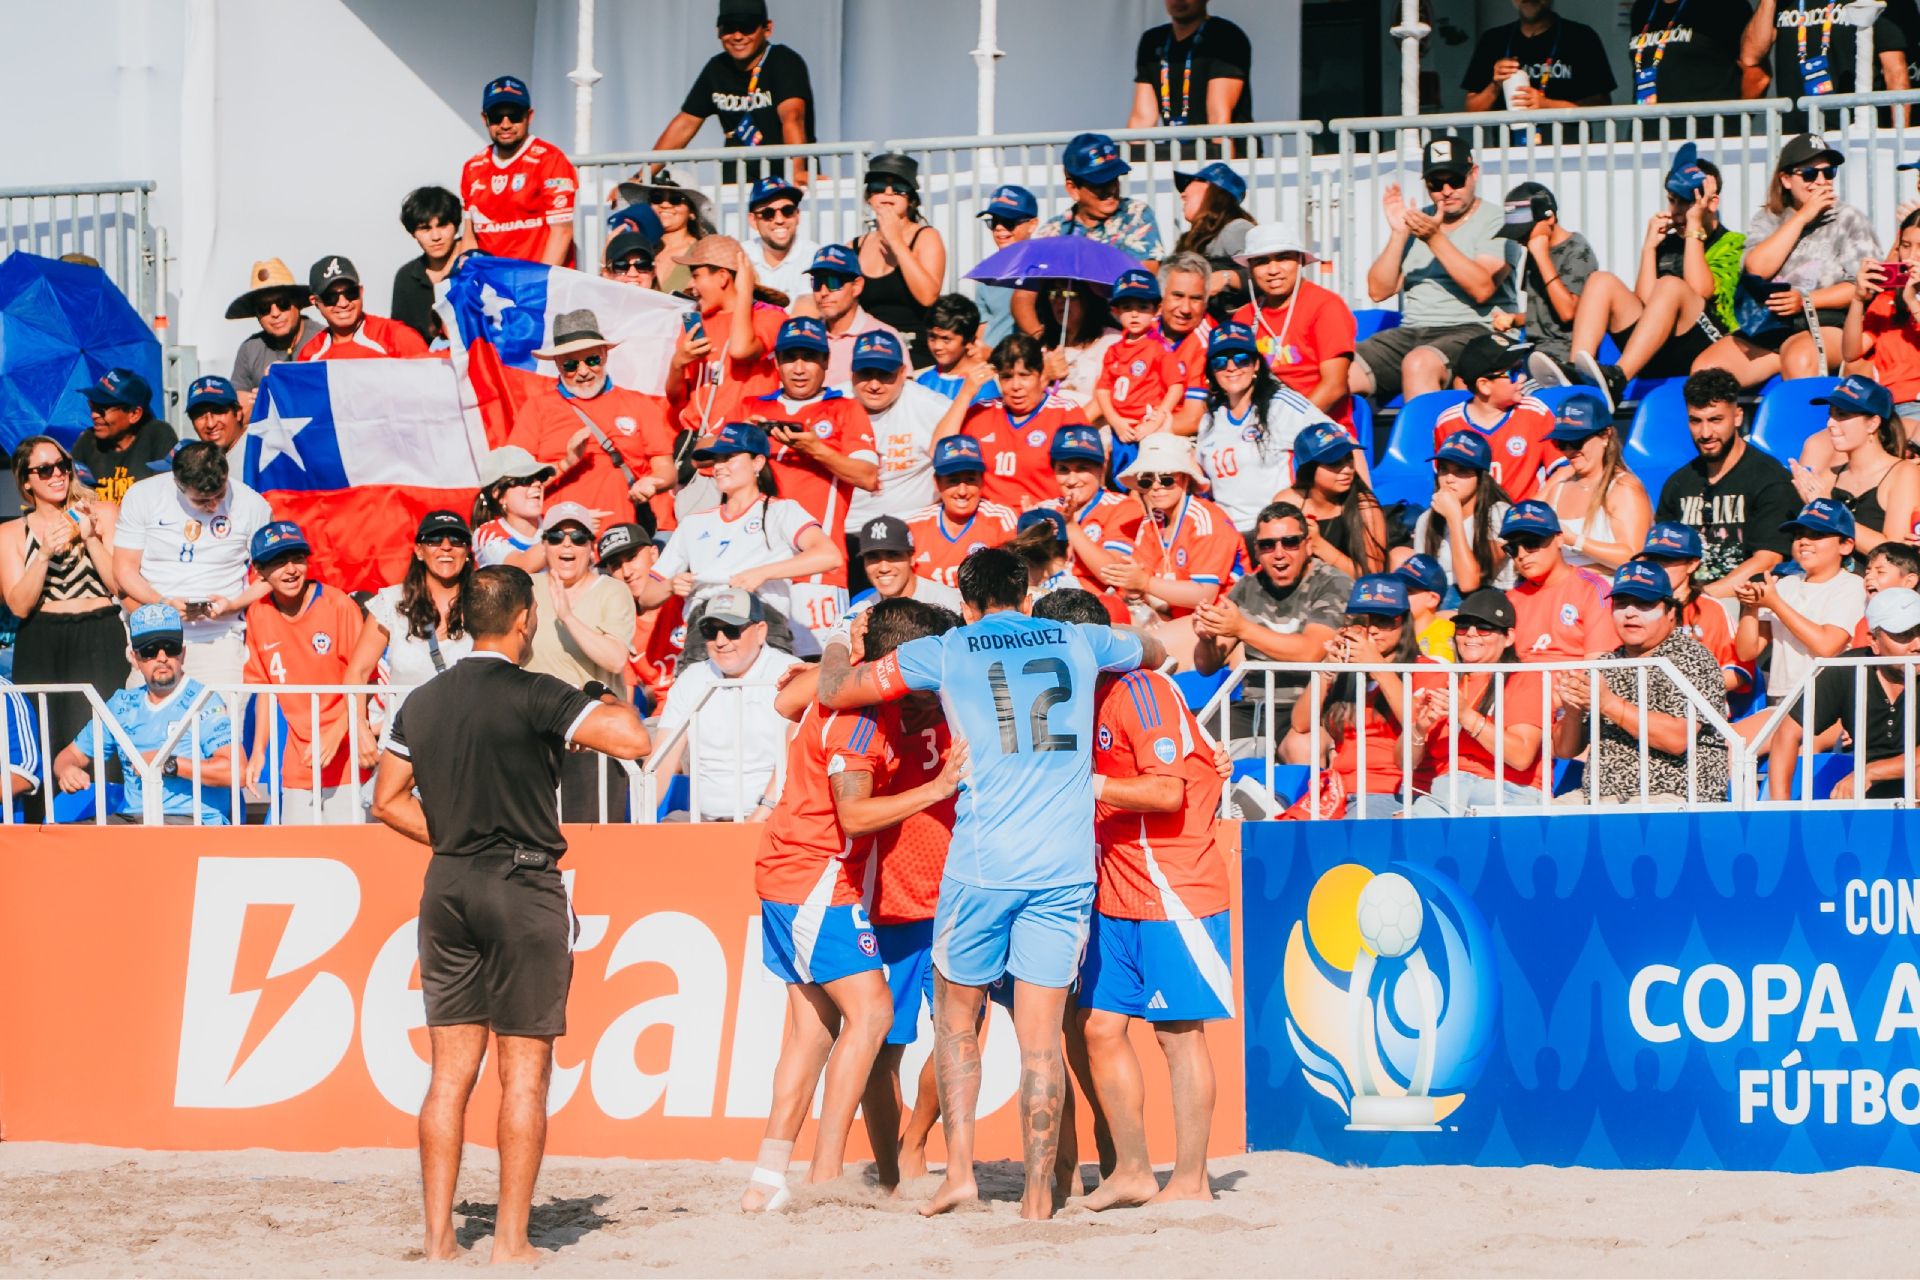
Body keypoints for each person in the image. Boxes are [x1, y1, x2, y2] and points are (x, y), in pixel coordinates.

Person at [815, 547, 1162, 1221]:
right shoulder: (1080, 639)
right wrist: (1125, 642)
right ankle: (1038, 1198)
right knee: (1041, 1038)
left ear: (969, 604)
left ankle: (961, 1175)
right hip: (1064, 863)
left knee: (955, 1020)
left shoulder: (949, 649)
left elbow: (837, 690)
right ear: (1027, 595)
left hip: (983, 861)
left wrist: (837, 642)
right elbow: (1150, 648)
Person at [370, 565, 649, 1264]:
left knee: (448, 1074)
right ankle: (511, 1241)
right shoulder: (536, 692)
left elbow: (386, 800)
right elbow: (634, 741)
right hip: (521, 883)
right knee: (523, 1073)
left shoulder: (424, 700)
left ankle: (438, 1241)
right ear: (525, 619)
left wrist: (459, 835)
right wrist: (604, 692)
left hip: (449, 882)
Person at [741, 598, 965, 1214]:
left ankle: (767, 1178)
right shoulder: (862, 720)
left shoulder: (852, 696)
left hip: (797, 869)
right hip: (817, 876)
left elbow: (790, 702)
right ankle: (826, 1174)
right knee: (868, 1017)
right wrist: (937, 788)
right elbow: (854, 814)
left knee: (811, 1034)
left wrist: (845, 643)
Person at [1030, 587, 1229, 1208]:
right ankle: (1134, 1171)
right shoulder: (1075, 700)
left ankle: (1192, 1181)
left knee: (1177, 1034)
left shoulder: (1143, 690)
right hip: (1114, 885)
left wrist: (1085, 783)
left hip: (1173, 884)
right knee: (1097, 1028)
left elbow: (1166, 792)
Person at [1556, 145, 1744, 411]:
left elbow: (1702, 291)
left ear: (1711, 202)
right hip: (1657, 349)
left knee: (1670, 286)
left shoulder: (1734, 244)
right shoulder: (1667, 245)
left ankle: (1618, 379)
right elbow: (1644, 303)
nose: (1678, 210)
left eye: (1686, 201)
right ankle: (1577, 376)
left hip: (1706, 346)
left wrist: (1694, 229)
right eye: (1672, 200)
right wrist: (1649, 248)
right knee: (1601, 281)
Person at [640, 423, 842, 659]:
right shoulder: (693, 523)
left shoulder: (781, 510)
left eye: (730, 457)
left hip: (759, 616)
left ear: (757, 462)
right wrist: (670, 585)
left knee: (767, 695)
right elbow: (646, 596)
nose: (719, 467)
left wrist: (763, 573)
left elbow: (829, 556)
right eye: (716, 460)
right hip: (705, 622)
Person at [1695, 134, 1880, 386]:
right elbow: (1757, 269)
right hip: (1772, 327)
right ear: (1786, 180)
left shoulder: (1849, 219)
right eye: (1809, 174)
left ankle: (1809, 425)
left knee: (1799, 355)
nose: (1821, 181)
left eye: (1829, 173)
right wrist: (1803, 217)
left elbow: (1863, 287)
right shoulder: (1769, 218)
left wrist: (1806, 301)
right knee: (1706, 371)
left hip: (1830, 324)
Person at [1354, 133, 1518, 406]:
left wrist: (1434, 238)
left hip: (1477, 329)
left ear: (1473, 173)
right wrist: (1398, 234)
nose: (1446, 191)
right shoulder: (1419, 221)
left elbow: (1482, 288)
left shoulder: (1499, 220)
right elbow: (1378, 290)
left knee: (1419, 362)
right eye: (1435, 184)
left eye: (1455, 180)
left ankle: (1424, 449)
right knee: (1338, 369)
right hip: (1412, 332)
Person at [1552, 559, 1731, 803]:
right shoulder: (1606, 662)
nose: (1630, 612)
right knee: (1548, 821)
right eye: (1622, 603)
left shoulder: (1693, 657)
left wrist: (1607, 704)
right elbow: (1565, 750)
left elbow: (1677, 739)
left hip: (1678, 796)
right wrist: (1572, 711)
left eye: (1644, 603)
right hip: (1601, 796)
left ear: (1671, 612)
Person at [52, 603, 237, 825]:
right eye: (150, 650)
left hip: (194, 821)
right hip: (135, 822)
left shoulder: (205, 700)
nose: (162, 657)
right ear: (135, 659)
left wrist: (169, 763)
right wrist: (66, 769)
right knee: (61, 844)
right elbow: (70, 754)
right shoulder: (122, 704)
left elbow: (236, 771)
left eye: (170, 647)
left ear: (183, 653)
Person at [240, 521, 374, 824]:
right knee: (300, 855)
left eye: (297, 558)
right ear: (259, 571)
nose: (290, 569)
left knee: (349, 852)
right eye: (278, 561)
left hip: (347, 756)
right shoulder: (258, 613)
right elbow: (265, 691)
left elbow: (363, 680)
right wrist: (258, 751)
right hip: (298, 760)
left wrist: (337, 732)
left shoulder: (338, 604)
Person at [0, 437, 125, 759]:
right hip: (42, 637)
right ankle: (48, 809)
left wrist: (91, 540)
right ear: (26, 481)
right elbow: (18, 605)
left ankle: (106, 806)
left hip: (99, 630)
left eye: (62, 465)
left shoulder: (103, 512)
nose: (57, 474)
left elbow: (118, 587)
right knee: (45, 733)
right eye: (44, 470)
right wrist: (42, 555)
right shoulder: (11, 532)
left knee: (101, 734)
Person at [749, 315, 880, 617]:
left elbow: (868, 476)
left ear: (825, 361)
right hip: (756, 565)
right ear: (776, 362)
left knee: (816, 662)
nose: (798, 368)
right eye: (789, 357)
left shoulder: (845, 408)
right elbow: (705, 458)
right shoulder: (752, 408)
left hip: (819, 570)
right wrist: (742, 441)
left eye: (808, 357)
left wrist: (815, 450)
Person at [113, 440, 273, 685]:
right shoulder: (142, 496)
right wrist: (163, 603)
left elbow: (271, 574)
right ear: (177, 484)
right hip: (155, 635)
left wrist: (233, 604)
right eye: (202, 501)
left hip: (220, 640)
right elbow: (124, 570)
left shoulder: (253, 505)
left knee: (222, 720)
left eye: (219, 494)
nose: (214, 505)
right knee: (150, 721)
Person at [1192, 501, 1352, 746]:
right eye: (1268, 545)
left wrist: (1242, 628)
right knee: (1191, 738)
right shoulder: (1246, 587)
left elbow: (1311, 651)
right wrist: (1207, 639)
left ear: (1308, 546)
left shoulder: (1333, 583)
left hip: (1310, 710)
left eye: (1290, 542)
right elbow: (1206, 666)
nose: (1279, 553)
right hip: (1253, 706)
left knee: (1305, 746)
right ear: (1256, 551)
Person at [510, 308, 677, 531]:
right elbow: (514, 486)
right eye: (571, 365)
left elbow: (666, 470)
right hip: (562, 540)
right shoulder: (537, 409)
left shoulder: (638, 404)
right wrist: (565, 464)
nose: (583, 371)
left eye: (592, 360)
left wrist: (653, 483)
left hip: (627, 540)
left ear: (604, 355)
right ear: (558, 364)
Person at [524, 503, 638, 820]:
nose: (567, 545)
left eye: (578, 538)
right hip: (535, 737)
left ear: (591, 547)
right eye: (557, 536)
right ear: (544, 544)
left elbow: (615, 659)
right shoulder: (526, 589)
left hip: (593, 741)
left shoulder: (613, 591)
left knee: (594, 846)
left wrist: (567, 617)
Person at [648, 586, 795, 822]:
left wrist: (760, 815)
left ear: (760, 631)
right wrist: (638, 819)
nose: (720, 640)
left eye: (731, 629)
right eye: (710, 631)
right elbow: (661, 761)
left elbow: (796, 760)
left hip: (775, 819)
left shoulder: (790, 672)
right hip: (703, 821)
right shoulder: (692, 678)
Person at [1283, 574, 1424, 818]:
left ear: (1404, 623)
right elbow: (1300, 724)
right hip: (1337, 790)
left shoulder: (1424, 668)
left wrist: (1378, 667)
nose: (1372, 630)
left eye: (1384, 620)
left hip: (1390, 792)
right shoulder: (1348, 673)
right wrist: (1327, 669)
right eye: (1362, 620)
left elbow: (1418, 722)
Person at [1405, 587, 1554, 815]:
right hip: (1445, 793)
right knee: (1405, 835)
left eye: (1484, 628)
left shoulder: (1526, 678)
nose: (1471, 633)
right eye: (1463, 627)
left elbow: (1521, 757)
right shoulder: (1443, 679)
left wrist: (1467, 716)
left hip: (1509, 791)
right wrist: (1418, 728)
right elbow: (1404, 763)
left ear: (1509, 638)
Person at [1655, 368, 1803, 595]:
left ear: (1737, 417)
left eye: (1715, 420)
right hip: (1684, 599)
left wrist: (1705, 599)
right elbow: (1660, 554)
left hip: (1744, 599)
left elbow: (1768, 560)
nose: (1705, 433)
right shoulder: (1679, 483)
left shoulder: (1771, 480)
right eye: (1696, 421)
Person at [1096, 435, 1243, 661]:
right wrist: (1132, 586)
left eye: (1166, 480)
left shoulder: (1206, 520)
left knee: (1141, 648)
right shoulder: (1152, 521)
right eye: (1146, 481)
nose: (1156, 488)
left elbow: (1204, 594)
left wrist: (1144, 583)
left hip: (1216, 617)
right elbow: (1140, 585)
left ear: (1184, 479)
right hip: (1170, 615)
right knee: (1107, 633)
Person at [1772, 586, 1920, 800]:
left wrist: (1872, 772)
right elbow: (1787, 734)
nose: (1917, 645)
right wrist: (1780, 810)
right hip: (1866, 791)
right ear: (1874, 641)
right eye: (1904, 634)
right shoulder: (1847, 668)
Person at [344, 512, 476, 741]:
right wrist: (359, 729)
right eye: (434, 540)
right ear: (419, 551)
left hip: (466, 745)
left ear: (467, 553)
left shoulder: (484, 603)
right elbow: (358, 671)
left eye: (456, 540)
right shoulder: (391, 603)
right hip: (403, 749)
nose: (446, 547)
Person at [653, 0, 815, 185]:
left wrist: (797, 171)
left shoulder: (784, 61)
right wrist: (641, 177)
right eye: (729, 28)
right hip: (737, 183)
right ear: (718, 32)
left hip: (784, 184)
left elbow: (792, 116)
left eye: (747, 27)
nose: (737, 36)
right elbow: (685, 124)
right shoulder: (716, 68)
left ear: (767, 28)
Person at [1194, 322, 1331, 534]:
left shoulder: (1281, 403)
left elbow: (1341, 439)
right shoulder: (1209, 420)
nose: (1231, 368)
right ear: (1212, 371)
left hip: (1274, 532)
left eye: (1241, 360)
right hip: (1226, 534)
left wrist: (1361, 502)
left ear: (1256, 364)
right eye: (1220, 362)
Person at [1735, 497, 1867, 705]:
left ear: (1846, 545)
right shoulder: (1784, 585)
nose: (1804, 542)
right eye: (1799, 535)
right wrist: (1751, 607)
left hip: (1828, 696)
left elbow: (1826, 646)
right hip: (1781, 695)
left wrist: (1775, 603)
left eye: (1817, 535)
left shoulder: (1851, 585)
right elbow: (1746, 652)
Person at [1230, 223, 1356, 429]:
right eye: (1261, 262)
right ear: (1250, 269)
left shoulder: (1326, 306)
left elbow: (1335, 387)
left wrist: (1286, 427)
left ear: (1300, 261)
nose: (1273, 270)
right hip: (1257, 429)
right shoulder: (1244, 317)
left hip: (1320, 429)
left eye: (1283, 258)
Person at [947, 333, 1091, 513]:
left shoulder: (1065, 413)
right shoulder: (981, 411)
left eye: (1024, 375)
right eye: (1007, 377)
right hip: (987, 524)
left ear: (1041, 375)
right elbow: (938, 450)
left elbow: (1087, 479)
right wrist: (966, 393)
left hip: (1042, 522)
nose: (1016, 386)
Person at [668, 236, 785, 438]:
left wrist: (744, 292)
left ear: (723, 277)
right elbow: (676, 400)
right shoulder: (696, 324)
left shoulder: (770, 316)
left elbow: (740, 350)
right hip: (698, 444)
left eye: (696, 275)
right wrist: (677, 364)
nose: (690, 284)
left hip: (744, 444)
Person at [1791, 374, 1920, 556]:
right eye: (1831, 415)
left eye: (1842, 415)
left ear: (1873, 423)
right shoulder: (1831, 474)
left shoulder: (1903, 473)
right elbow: (1804, 550)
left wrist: (1829, 513)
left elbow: (1895, 554)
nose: (1830, 424)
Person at [456, 75, 576, 267]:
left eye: (514, 115)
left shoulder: (550, 159)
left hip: (537, 283)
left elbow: (562, 232)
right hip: (492, 286)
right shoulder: (473, 167)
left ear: (529, 116)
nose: (505, 124)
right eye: (497, 116)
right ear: (484, 118)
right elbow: (470, 235)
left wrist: (537, 284)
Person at [842, 331, 953, 531]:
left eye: (885, 375)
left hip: (911, 528)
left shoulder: (931, 406)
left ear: (903, 373)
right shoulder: (833, 404)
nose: (874, 385)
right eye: (866, 373)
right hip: (844, 528)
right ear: (851, 372)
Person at [1432, 334, 1555, 503]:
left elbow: (1562, 470)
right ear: (1484, 385)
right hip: (1472, 520)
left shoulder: (1535, 412)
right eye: (1514, 373)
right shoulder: (1448, 423)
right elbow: (1445, 481)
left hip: (1525, 520)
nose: (1523, 378)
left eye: (1522, 369)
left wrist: (1534, 507)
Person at [852, 154, 947, 367]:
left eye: (898, 188)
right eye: (878, 186)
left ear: (911, 199)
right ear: (869, 196)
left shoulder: (926, 237)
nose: (888, 193)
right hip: (869, 355)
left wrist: (896, 241)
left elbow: (928, 297)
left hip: (915, 353)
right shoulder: (854, 246)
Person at [1540, 395, 1653, 572]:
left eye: (1576, 442)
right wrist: (1552, 482)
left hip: (1607, 594)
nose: (1569, 451)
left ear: (1605, 435)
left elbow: (1633, 558)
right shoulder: (1558, 486)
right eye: (1561, 443)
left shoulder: (1624, 488)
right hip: (1559, 594)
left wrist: (1575, 540)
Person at [1640, 521, 1753, 692]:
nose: (1659, 568)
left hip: (1698, 710)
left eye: (1668, 559)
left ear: (1692, 564)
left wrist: (1690, 692)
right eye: (1653, 560)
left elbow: (1738, 670)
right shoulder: (1631, 606)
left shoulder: (1712, 609)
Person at [1741, 0, 1914, 112]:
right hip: (1797, 133)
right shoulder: (1784, 3)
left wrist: (1900, 134)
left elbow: (1895, 70)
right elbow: (1750, 56)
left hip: (1851, 130)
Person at [1495, 183, 1596, 374]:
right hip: (1533, 349)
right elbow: (1543, 311)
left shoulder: (1576, 250)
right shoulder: (1535, 247)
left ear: (1550, 218)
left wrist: (1542, 257)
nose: (1520, 240)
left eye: (1525, 232)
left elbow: (1568, 313)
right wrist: (1514, 319)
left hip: (1564, 353)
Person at [1503, 499, 1621, 660]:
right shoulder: (1510, 599)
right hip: (1515, 684)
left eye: (1531, 543)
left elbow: (1599, 667)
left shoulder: (1592, 590)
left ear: (1559, 539)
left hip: (1571, 684)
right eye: (1512, 548)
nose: (1522, 554)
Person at [1034, 133, 1166, 267]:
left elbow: (1145, 278)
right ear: (1073, 189)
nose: (1111, 190)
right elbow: (1030, 284)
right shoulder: (1052, 233)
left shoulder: (1135, 214)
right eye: (1100, 184)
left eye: (1114, 180)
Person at [1127, 0, 1254, 140]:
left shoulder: (1225, 35)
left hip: (1230, 155)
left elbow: (1219, 117)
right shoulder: (1152, 40)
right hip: (1177, 153)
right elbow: (1141, 120)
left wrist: (1222, 161)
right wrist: (1128, 159)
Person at [1410, 430, 1515, 596]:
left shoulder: (1499, 514)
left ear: (1481, 476)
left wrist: (1454, 519)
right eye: (1444, 470)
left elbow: (1468, 583)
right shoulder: (1426, 520)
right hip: (1441, 601)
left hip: (1489, 604)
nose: (1449, 479)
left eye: (1461, 471)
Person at [1463, 0, 1616, 113]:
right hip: (1508, 151)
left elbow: (1601, 105)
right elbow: (1472, 110)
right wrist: (1494, 86)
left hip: (1568, 150)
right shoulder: (1493, 40)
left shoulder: (1581, 36)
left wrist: (1547, 104)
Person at [905, 436, 1018, 588]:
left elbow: (1016, 578)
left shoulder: (1002, 520)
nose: (962, 491)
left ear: (982, 481)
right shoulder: (915, 526)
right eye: (953, 481)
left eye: (970, 479)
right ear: (937, 483)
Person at [1278, 423, 1387, 578]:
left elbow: (1372, 575)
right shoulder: (1288, 503)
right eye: (1334, 462)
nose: (1347, 469)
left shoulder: (1365, 507)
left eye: (1349, 459)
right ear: (1309, 468)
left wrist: (1319, 545)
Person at [1095, 269, 1187, 446]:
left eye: (1143, 307)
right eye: (1127, 307)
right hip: (1121, 428)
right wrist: (1115, 421)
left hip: (1147, 428)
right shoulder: (1113, 350)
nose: (1134, 314)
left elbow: (1176, 386)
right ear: (1115, 311)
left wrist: (1156, 420)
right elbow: (1103, 389)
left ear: (1157, 310)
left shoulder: (1159, 347)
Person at [1843, 216, 1920, 419]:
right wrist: (1859, 300)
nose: (1912, 256)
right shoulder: (1887, 299)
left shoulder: (1908, 299)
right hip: (1884, 406)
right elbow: (1851, 353)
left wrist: (1913, 301)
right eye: (1905, 246)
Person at [226, 259, 322, 413]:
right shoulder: (250, 349)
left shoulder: (323, 339)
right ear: (257, 315)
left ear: (297, 303)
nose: (275, 313)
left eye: (283, 303)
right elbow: (238, 401)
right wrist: (258, 401)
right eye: (264, 308)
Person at [296, 256, 432, 361]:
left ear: (361, 292)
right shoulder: (310, 355)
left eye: (350, 293)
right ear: (315, 301)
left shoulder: (398, 338)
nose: (343, 303)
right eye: (331, 297)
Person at [802, 244, 903, 385]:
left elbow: (904, 396)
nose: (823, 292)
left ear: (857, 286)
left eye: (833, 282)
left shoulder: (886, 337)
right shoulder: (805, 337)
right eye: (817, 283)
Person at [72, 368, 176, 504]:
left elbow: (165, 497)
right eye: (92, 406)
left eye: (101, 409)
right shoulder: (87, 441)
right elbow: (73, 494)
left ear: (134, 414)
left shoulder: (158, 435)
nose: (94, 415)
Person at [1627, 0, 1752, 105]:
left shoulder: (1726, 5)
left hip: (1705, 130)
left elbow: (1757, 77)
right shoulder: (1642, 8)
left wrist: (1733, 120)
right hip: (1646, 129)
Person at [618, 169, 717, 296]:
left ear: (692, 212)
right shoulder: (639, 250)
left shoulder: (705, 252)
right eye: (657, 198)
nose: (665, 204)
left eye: (676, 199)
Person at [846, 516, 964, 614]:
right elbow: (839, 635)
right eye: (873, 557)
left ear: (911, 558)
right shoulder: (864, 608)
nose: (883, 568)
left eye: (893, 555)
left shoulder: (945, 601)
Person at [1038, 280, 1121, 415]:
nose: (1059, 300)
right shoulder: (1043, 343)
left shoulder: (1112, 341)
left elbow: (1102, 400)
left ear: (1090, 298)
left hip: (1087, 429)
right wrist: (1045, 374)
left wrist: (1071, 430)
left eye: (1069, 293)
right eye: (1053, 293)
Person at [392, 185, 463, 343]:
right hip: (428, 363)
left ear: (456, 225)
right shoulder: (406, 278)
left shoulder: (476, 265)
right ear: (413, 233)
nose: (436, 236)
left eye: (443, 226)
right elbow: (401, 340)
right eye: (425, 229)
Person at [471, 445, 556, 572]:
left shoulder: (554, 524)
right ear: (498, 494)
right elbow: (520, 568)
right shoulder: (488, 534)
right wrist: (564, 534)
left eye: (540, 477)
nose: (538, 484)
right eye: (525, 479)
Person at [1172, 161, 1254, 292]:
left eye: (1193, 181)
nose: (1182, 194)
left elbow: (1262, 276)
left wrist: (1227, 277)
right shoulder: (1194, 239)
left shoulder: (1236, 229)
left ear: (1211, 189)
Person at [973, 185, 1039, 346]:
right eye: (993, 222)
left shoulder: (1044, 267)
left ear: (1032, 224)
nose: (999, 228)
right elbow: (983, 327)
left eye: (1008, 221)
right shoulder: (986, 272)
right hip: (995, 362)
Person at [742, 175, 819, 304]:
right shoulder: (741, 256)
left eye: (787, 211)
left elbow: (806, 313)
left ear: (798, 215)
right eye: (768, 213)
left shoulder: (815, 258)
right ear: (753, 221)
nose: (779, 220)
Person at [915, 294, 995, 403]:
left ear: (969, 341)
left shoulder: (982, 384)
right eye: (932, 337)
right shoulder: (924, 380)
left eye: (946, 339)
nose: (937, 346)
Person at [1853, 541, 1920, 645]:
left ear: (1909, 581)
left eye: (1880, 572)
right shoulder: (1865, 623)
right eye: (1867, 572)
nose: (1868, 577)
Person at [1395, 553, 1456, 659]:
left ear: (1432, 599)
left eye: (1408, 591)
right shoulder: (1392, 630)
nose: (1399, 594)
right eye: (1398, 588)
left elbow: (1436, 674)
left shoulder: (1443, 635)